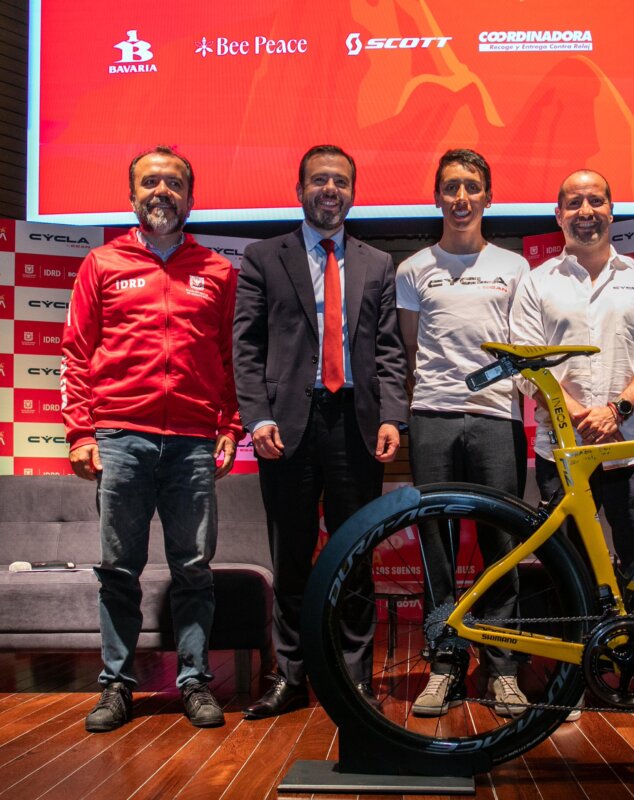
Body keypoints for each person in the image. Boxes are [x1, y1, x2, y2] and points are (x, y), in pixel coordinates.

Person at [61, 146, 243, 733]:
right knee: (119, 568)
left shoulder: (217, 270)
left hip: (192, 439)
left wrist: (229, 426)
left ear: (191, 197)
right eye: (149, 183)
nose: (160, 191)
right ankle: (116, 685)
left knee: (193, 567)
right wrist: (81, 433)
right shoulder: (101, 263)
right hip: (120, 437)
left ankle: (194, 681)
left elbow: (229, 359)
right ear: (132, 195)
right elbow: (76, 352)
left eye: (172, 183)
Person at [233, 144, 408, 719]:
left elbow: (388, 348)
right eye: (318, 180)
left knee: (356, 553)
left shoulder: (376, 263)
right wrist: (257, 417)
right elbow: (247, 347)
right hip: (286, 426)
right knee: (291, 556)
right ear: (299, 189)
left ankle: (355, 676)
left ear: (353, 192)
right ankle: (290, 676)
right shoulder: (263, 257)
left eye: (340, 180)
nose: (329, 189)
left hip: (355, 423)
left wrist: (390, 414)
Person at [509, 169, 634, 727]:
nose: (586, 210)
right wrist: (575, 412)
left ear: (612, 209)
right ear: (558, 214)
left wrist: (619, 411)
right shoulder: (536, 282)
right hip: (562, 452)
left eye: (596, 199)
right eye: (573, 202)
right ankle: (572, 683)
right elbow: (523, 360)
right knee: (572, 573)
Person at [396, 149, 531, 718]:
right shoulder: (412, 269)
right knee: (437, 547)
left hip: (498, 417)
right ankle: (446, 665)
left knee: (501, 543)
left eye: (471, 187)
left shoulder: (515, 266)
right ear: (437, 198)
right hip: (432, 417)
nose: (460, 197)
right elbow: (409, 349)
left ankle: (502, 669)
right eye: (450, 187)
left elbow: (523, 347)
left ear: (487, 198)